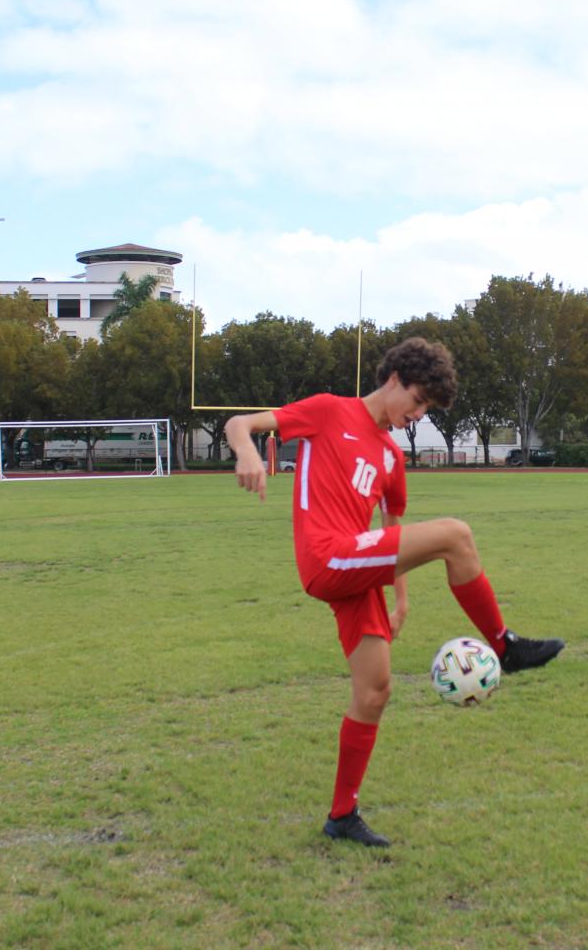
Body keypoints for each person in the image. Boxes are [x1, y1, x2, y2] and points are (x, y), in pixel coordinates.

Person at [225, 337, 564, 848]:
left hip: (357, 568)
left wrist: (400, 599)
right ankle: (503, 646)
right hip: (327, 555)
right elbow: (239, 424)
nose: (419, 415)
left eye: (427, 408)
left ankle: (342, 816)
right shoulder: (327, 411)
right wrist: (247, 451)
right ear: (394, 380)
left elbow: (393, 527)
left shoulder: (389, 457)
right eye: (419, 401)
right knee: (456, 534)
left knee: (375, 691)